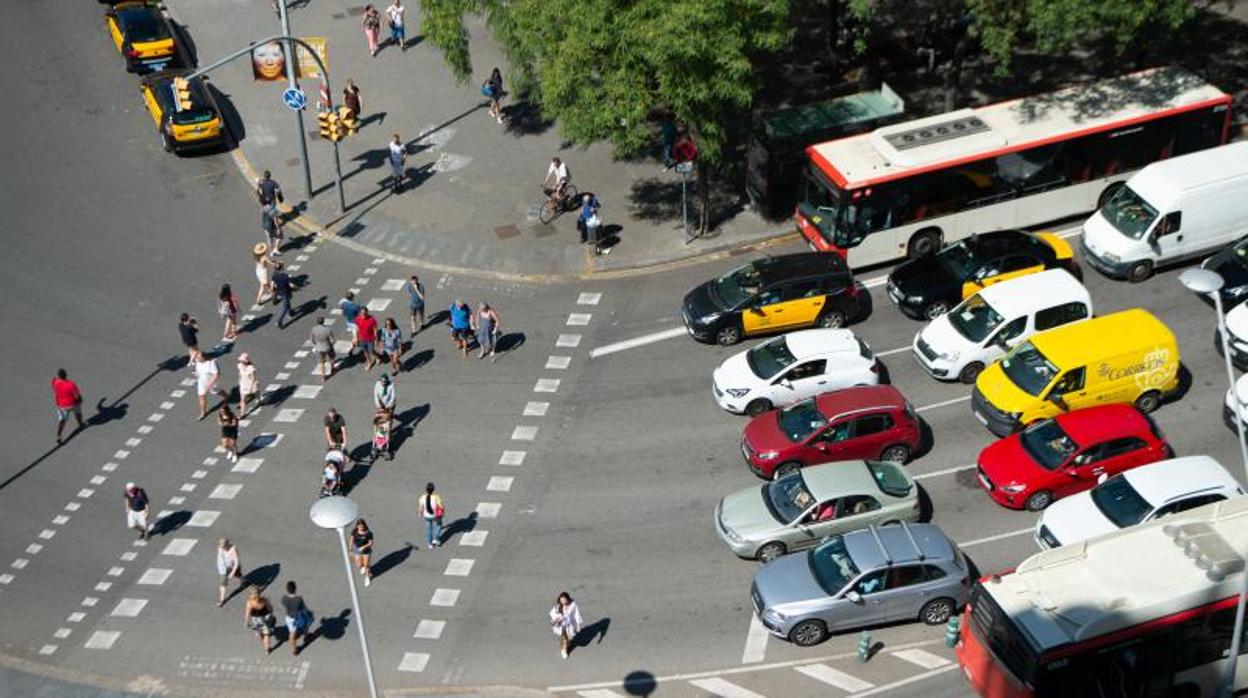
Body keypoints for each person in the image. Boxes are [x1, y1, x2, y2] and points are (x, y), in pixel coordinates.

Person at [51, 368, 84, 444]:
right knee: (78, 413)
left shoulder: (55, 382)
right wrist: (80, 400)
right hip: (73, 403)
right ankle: (81, 425)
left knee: (62, 421)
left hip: (62, 405)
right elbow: (77, 395)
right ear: (66, 375)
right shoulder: (71, 384)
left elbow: (54, 380)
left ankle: (59, 436)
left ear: (58, 376)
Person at [194, 350, 229, 421]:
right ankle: (202, 413)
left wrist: (210, 384)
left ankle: (226, 396)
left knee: (217, 392)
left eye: (199, 358)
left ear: (204, 357)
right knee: (201, 396)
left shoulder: (211, 363)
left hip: (211, 382)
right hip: (201, 382)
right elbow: (198, 371)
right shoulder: (197, 362)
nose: (197, 359)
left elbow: (216, 374)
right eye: (197, 357)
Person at [549, 592, 584, 659]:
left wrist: (578, 625)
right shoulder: (558, 606)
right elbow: (552, 613)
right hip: (561, 625)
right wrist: (556, 618)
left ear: (568, 599)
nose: (562, 602)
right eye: (561, 600)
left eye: (564, 600)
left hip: (569, 625)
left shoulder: (573, 604)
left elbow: (576, 614)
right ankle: (563, 650)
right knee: (563, 638)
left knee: (569, 638)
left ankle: (567, 644)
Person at [281, 581, 311, 656]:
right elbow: (304, 608)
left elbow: (284, 604)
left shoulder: (284, 598)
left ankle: (294, 649)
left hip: (288, 617)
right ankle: (306, 636)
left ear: (287, 589)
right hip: (297, 617)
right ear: (295, 589)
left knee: (291, 633)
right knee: (306, 624)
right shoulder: (299, 599)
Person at [243, 587, 277, 652]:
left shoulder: (249, 602)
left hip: (256, 620)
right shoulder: (264, 600)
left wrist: (246, 622)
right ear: (260, 593)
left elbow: (247, 613)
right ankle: (267, 648)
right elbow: (270, 608)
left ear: (252, 594)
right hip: (265, 619)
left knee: (261, 633)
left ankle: (264, 644)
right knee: (267, 634)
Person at [216, 538, 242, 607]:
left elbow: (237, 562)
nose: (223, 548)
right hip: (223, 569)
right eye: (221, 546)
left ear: (227, 544)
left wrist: (232, 572)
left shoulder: (233, 549)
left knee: (238, 575)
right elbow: (220, 557)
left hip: (232, 567)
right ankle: (221, 599)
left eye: (224, 547)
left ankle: (244, 580)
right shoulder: (220, 548)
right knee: (223, 583)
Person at [417, 483, 444, 549]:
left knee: (429, 529)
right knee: (438, 526)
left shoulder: (422, 497)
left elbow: (420, 507)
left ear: (426, 489)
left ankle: (430, 544)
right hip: (435, 516)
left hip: (427, 516)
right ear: (433, 489)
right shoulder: (436, 497)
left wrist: (420, 513)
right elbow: (440, 506)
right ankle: (436, 539)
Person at [352, 519, 374, 587]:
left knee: (366, 565)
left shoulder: (368, 533)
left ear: (364, 526)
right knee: (359, 565)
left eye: (362, 526)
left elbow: (371, 543)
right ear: (357, 526)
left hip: (366, 551)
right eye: (359, 526)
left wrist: (363, 547)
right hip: (357, 549)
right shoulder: (355, 531)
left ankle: (367, 578)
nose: (361, 528)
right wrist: (350, 549)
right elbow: (351, 539)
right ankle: (363, 568)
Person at [272, 262, 293, 329]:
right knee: (284, 307)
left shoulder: (274, 275)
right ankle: (279, 321)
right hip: (285, 292)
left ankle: (289, 312)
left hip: (279, 292)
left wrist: (273, 292)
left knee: (287, 301)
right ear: (282, 268)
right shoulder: (285, 276)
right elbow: (290, 284)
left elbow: (272, 285)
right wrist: (297, 288)